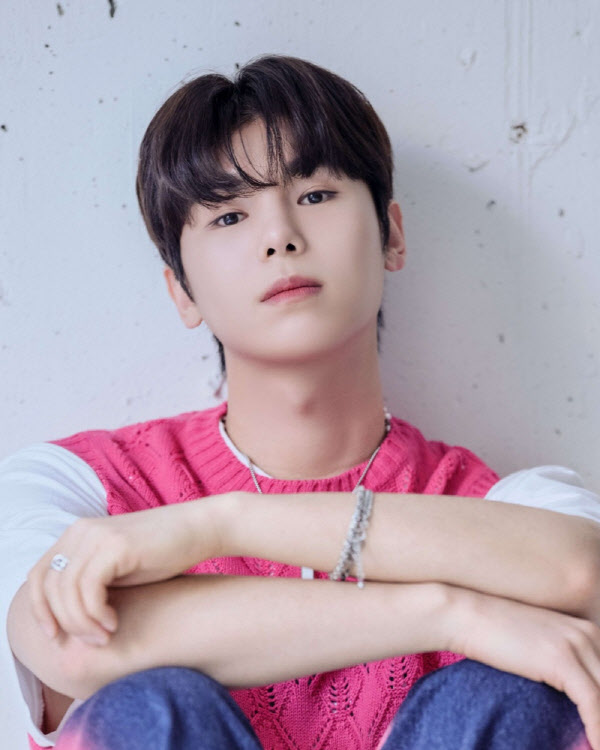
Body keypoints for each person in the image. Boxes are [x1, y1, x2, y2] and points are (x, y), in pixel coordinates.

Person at [2, 53, 600, 750]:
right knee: (151, 705)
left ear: (392, 235)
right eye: (229, 216)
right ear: (181, 291)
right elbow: (72, 646)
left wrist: (218, 525)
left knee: (507, 697)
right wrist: (450, 614)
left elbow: (581, 570)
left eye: (315, 195)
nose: (279, 237)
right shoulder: (79, 489)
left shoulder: (504, 505)